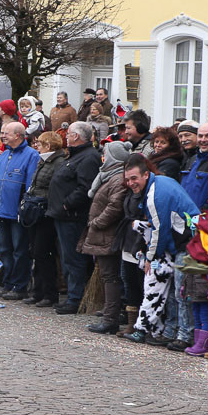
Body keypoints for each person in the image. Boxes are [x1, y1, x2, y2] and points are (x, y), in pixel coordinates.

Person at [121, 155, 200, 345]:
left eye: (134, 178)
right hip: (184, 239)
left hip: (188, 242)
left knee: (181, 291)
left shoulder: (155, 195)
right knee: (174, 290)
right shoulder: (161, 182)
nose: (131, 183)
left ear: (146, 175)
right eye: (128, 179)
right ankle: (170, 332)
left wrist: (150, 258)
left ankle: (184, 336)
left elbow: (159, 231)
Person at [48, 121, 101, 314]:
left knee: (73, 258)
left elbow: (84, 187)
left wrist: (67, 203)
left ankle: (75, 298)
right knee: (66, 257)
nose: (66, 137)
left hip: (72, 216)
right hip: (63, 215)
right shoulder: (76, 156)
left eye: (69, 134)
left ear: (76, 136)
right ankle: (72, 296)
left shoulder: (88, 158)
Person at [80, 141, 130, 334]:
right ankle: (110, 314)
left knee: (110, 276)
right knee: (108, 275)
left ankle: (111, 319)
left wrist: (97, 222)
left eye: (106, 153)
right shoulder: (108, 176)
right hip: (103, 233)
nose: (103, 156)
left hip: (107, 234)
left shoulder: (117, 178)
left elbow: (114, 206)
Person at [0, 122, 40, 297]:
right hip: (2, 211)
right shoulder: (4, 155)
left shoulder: (31, 155)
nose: (2, 136)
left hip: (17, 212)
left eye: (6, 133)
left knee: (20, 250)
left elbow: (30, 185)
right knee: (4, 249)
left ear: (18, 135)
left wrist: (24, 208)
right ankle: (8, 282)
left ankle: (20, 285)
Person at [25, 132, 68, 306]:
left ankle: (49, 293)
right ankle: (38, 291)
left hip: (46, 212)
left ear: (49, 146)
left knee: (44, 253)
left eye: (40, 144)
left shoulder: (58, 163)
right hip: (37, 209)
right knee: (36, 252)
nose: (37, 146)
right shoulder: (44, 161)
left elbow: (54, 188)